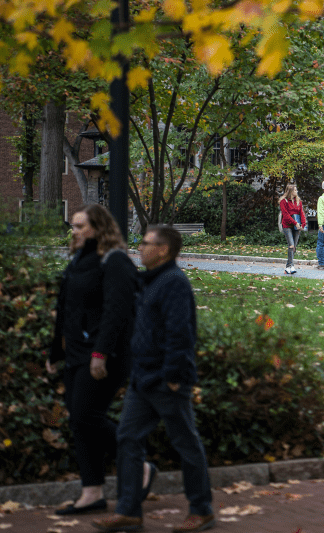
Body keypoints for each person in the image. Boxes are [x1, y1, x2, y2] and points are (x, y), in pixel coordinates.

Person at [93, 226, 215, 533]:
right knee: (128, 439)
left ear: (163, 250)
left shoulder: (173, 283)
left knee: (185, 443)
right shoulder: (150, 281)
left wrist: (173, 378)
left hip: (166, 380)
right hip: (143, 379)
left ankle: (202, 510)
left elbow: (181, 334)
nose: (140, 247)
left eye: (146, 244)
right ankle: (128, 511)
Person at [47, 205, 147, 516]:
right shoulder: (79, 260)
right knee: (79, 421)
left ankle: (139, 465)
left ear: (98, 228)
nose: (74, 231)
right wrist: (54, 352)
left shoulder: (114, 261)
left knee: (86, 415)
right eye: (73, 226)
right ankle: (92, 492)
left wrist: (100, 353)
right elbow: (65, 309)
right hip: (76, 354)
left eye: (80, 226)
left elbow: (117, 312)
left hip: (105, 355)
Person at [278, 184, 306, 275]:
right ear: (291, 191)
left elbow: (301, 213)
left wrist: (303, 224)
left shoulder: (298, 201)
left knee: (294, 247)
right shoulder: (283, 201)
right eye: (295, 190)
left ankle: (289, 266)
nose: (297, 191)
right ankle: (290, 266)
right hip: (287, 226)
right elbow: (285, 215)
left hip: (297, 226)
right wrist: (295, 223)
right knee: (291, 245)